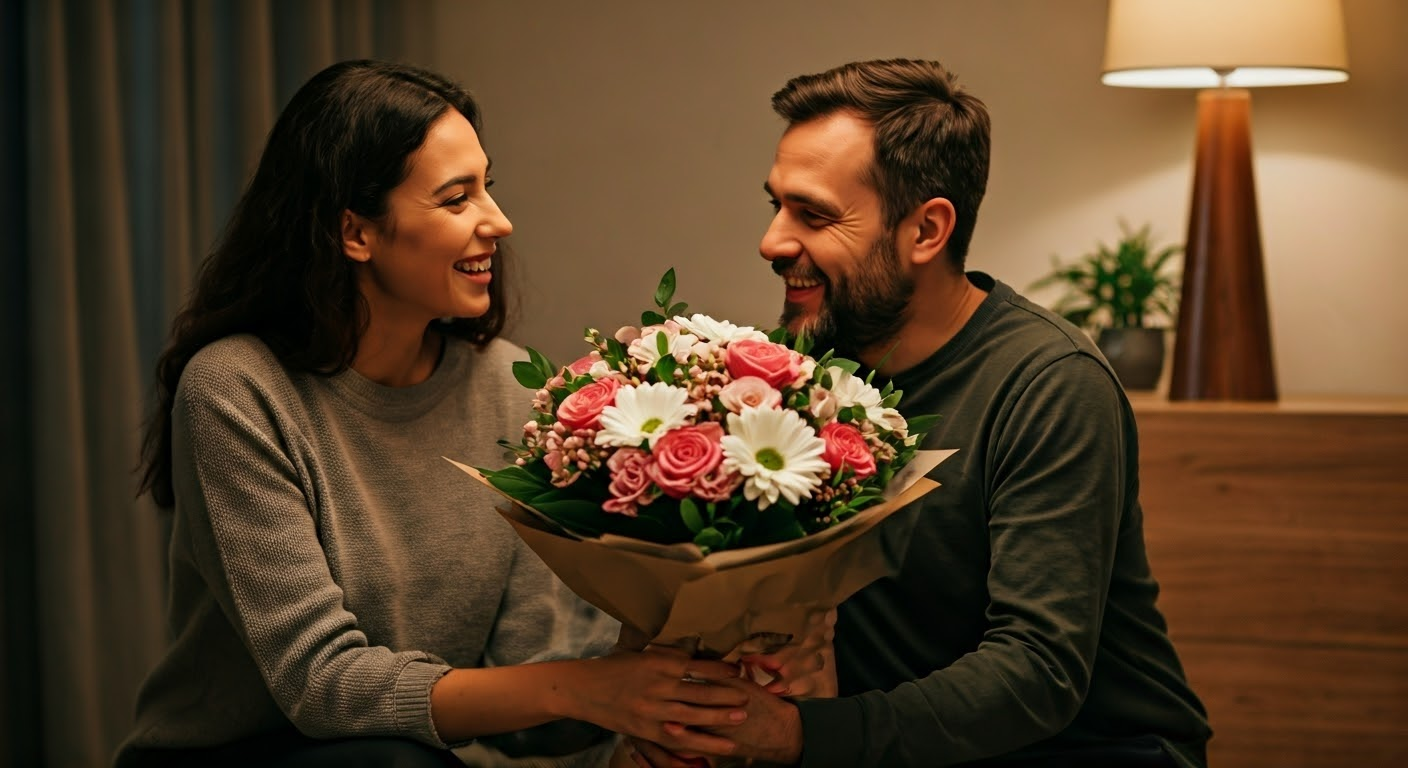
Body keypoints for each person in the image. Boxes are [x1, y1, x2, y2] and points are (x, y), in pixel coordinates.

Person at [117, 59, 759, 768]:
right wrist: (586, 688)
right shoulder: (236, 390)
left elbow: (534, 691)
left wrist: (651, 683)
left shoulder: (507, 392)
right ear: (355, 232)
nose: (500, 222)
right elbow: (322, 687)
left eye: (489, 189)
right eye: (457, 199)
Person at [635, 58, 1212, 768]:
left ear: (927, 230)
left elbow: (1038, 671)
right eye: (776, 205)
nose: (773, 242)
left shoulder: (1049, 384)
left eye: (813, 214)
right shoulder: (792, 369)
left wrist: (798, 737)